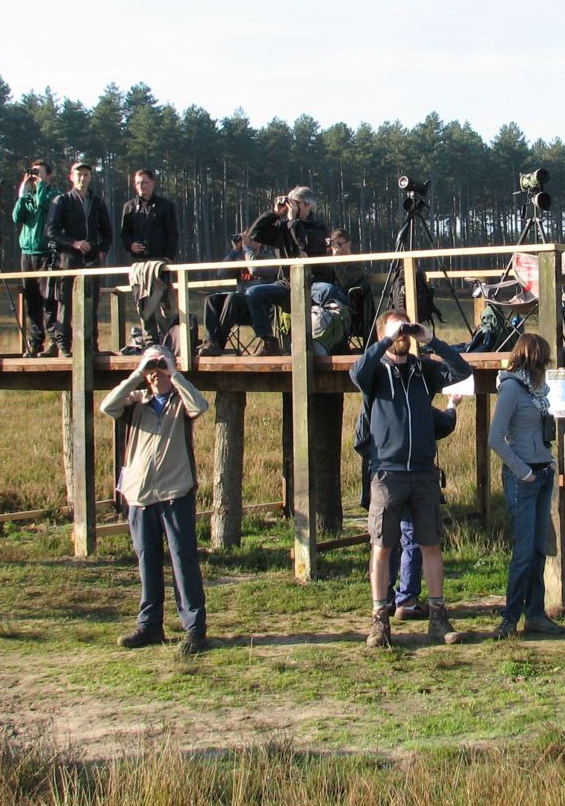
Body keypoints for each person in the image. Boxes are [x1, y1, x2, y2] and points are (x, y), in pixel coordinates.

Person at [352, 309, 473, 646]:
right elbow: (355, 371)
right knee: (381, 548)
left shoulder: (424, 370)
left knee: (430, 546)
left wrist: (431, 340)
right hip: (387, 473)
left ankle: (438, 618)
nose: (402, 336)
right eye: (395, 332)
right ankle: (379, 621)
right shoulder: (374, 372)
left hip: (422, 472)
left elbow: (463, 369)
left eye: (405, 330)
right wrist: (388, 339)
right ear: (382, 337)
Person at [100, 344, 211, 655]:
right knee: (147, 560)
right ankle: (149, 625)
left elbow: (199, 406)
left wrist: (174, 373)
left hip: (176, 493)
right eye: (151, 369)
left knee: (183, 560)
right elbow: (107, 407)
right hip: (139, 495)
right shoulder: (136, 401)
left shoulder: (180, 401)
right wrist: (137, 373)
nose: (155, 374)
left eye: (159, 367)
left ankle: (194, 629)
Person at [489, 333, 565, 639]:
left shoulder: (537, 390)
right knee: (523, 550)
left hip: (542, 472)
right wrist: (523, 471)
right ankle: (510, 618)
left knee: (538, 549)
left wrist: (548, 463)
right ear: (534, 359)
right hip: (523, 478)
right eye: (544, 359)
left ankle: (535, 614)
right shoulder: (512, 389)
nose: (547, 365)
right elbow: (496, 439)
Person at [245, 186, 338, 356]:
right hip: (287, 284)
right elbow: (254, 235)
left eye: (295, 203)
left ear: (308, 206)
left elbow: (303, 245)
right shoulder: (282, 227)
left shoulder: (318, 228)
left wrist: (292, 221)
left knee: (329, 291)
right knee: (253, 292)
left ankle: (326, 343)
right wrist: (273, 213)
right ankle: (268, 341)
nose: (290, 207)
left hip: (313, 282)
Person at [47, 158, 113, 356]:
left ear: (90, 177)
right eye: (79, 175)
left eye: (86, 175)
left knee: (91, 304)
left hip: (91, 260)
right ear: (71, 177)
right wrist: (73, 243)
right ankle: (64, 346)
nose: (82, 178)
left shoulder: (97, 202)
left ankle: (91, 346)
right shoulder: (62, 200)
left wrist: (102, 250)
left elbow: (107, 232)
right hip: (68, 259)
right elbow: (51, 231)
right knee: (65, 303)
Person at [119, 168, 180, 350]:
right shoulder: (129, 207)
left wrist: (169, 257)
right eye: (137, 183)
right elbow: (124, 235)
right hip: (139, 263)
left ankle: (166, 340)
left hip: (160, 262)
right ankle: (149, 340)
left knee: (162, 300)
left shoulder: (166, 206)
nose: (141, 186)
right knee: (142, 301)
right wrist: (130, 245)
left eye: (144, 182)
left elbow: (173, 234)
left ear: (153, 183)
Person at [197, 231, 279, 356]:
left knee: (233, 297)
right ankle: (211, 341)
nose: (247, 242)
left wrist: (246, 249)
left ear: (260, 242)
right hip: (236, 309)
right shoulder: (241, 258)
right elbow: (221, 273)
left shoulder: (269, 258)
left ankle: (218, 344)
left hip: (258, 309)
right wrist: (235, 250)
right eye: (246, 239)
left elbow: (254, 269)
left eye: (250, 239)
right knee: (211, 299)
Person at [11, 159, 59, 357]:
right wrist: (23, 193)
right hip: (27, 253)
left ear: (49, 175)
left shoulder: (54, 195)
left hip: (45, 253)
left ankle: (54, 342)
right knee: (32, 301)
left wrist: (39, 185)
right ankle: (35, 343)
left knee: (49, 300)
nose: (35, 176)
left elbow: (43, 204)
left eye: (40, 172)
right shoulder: (29, 195)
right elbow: (16, 217)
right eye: (34, 172)